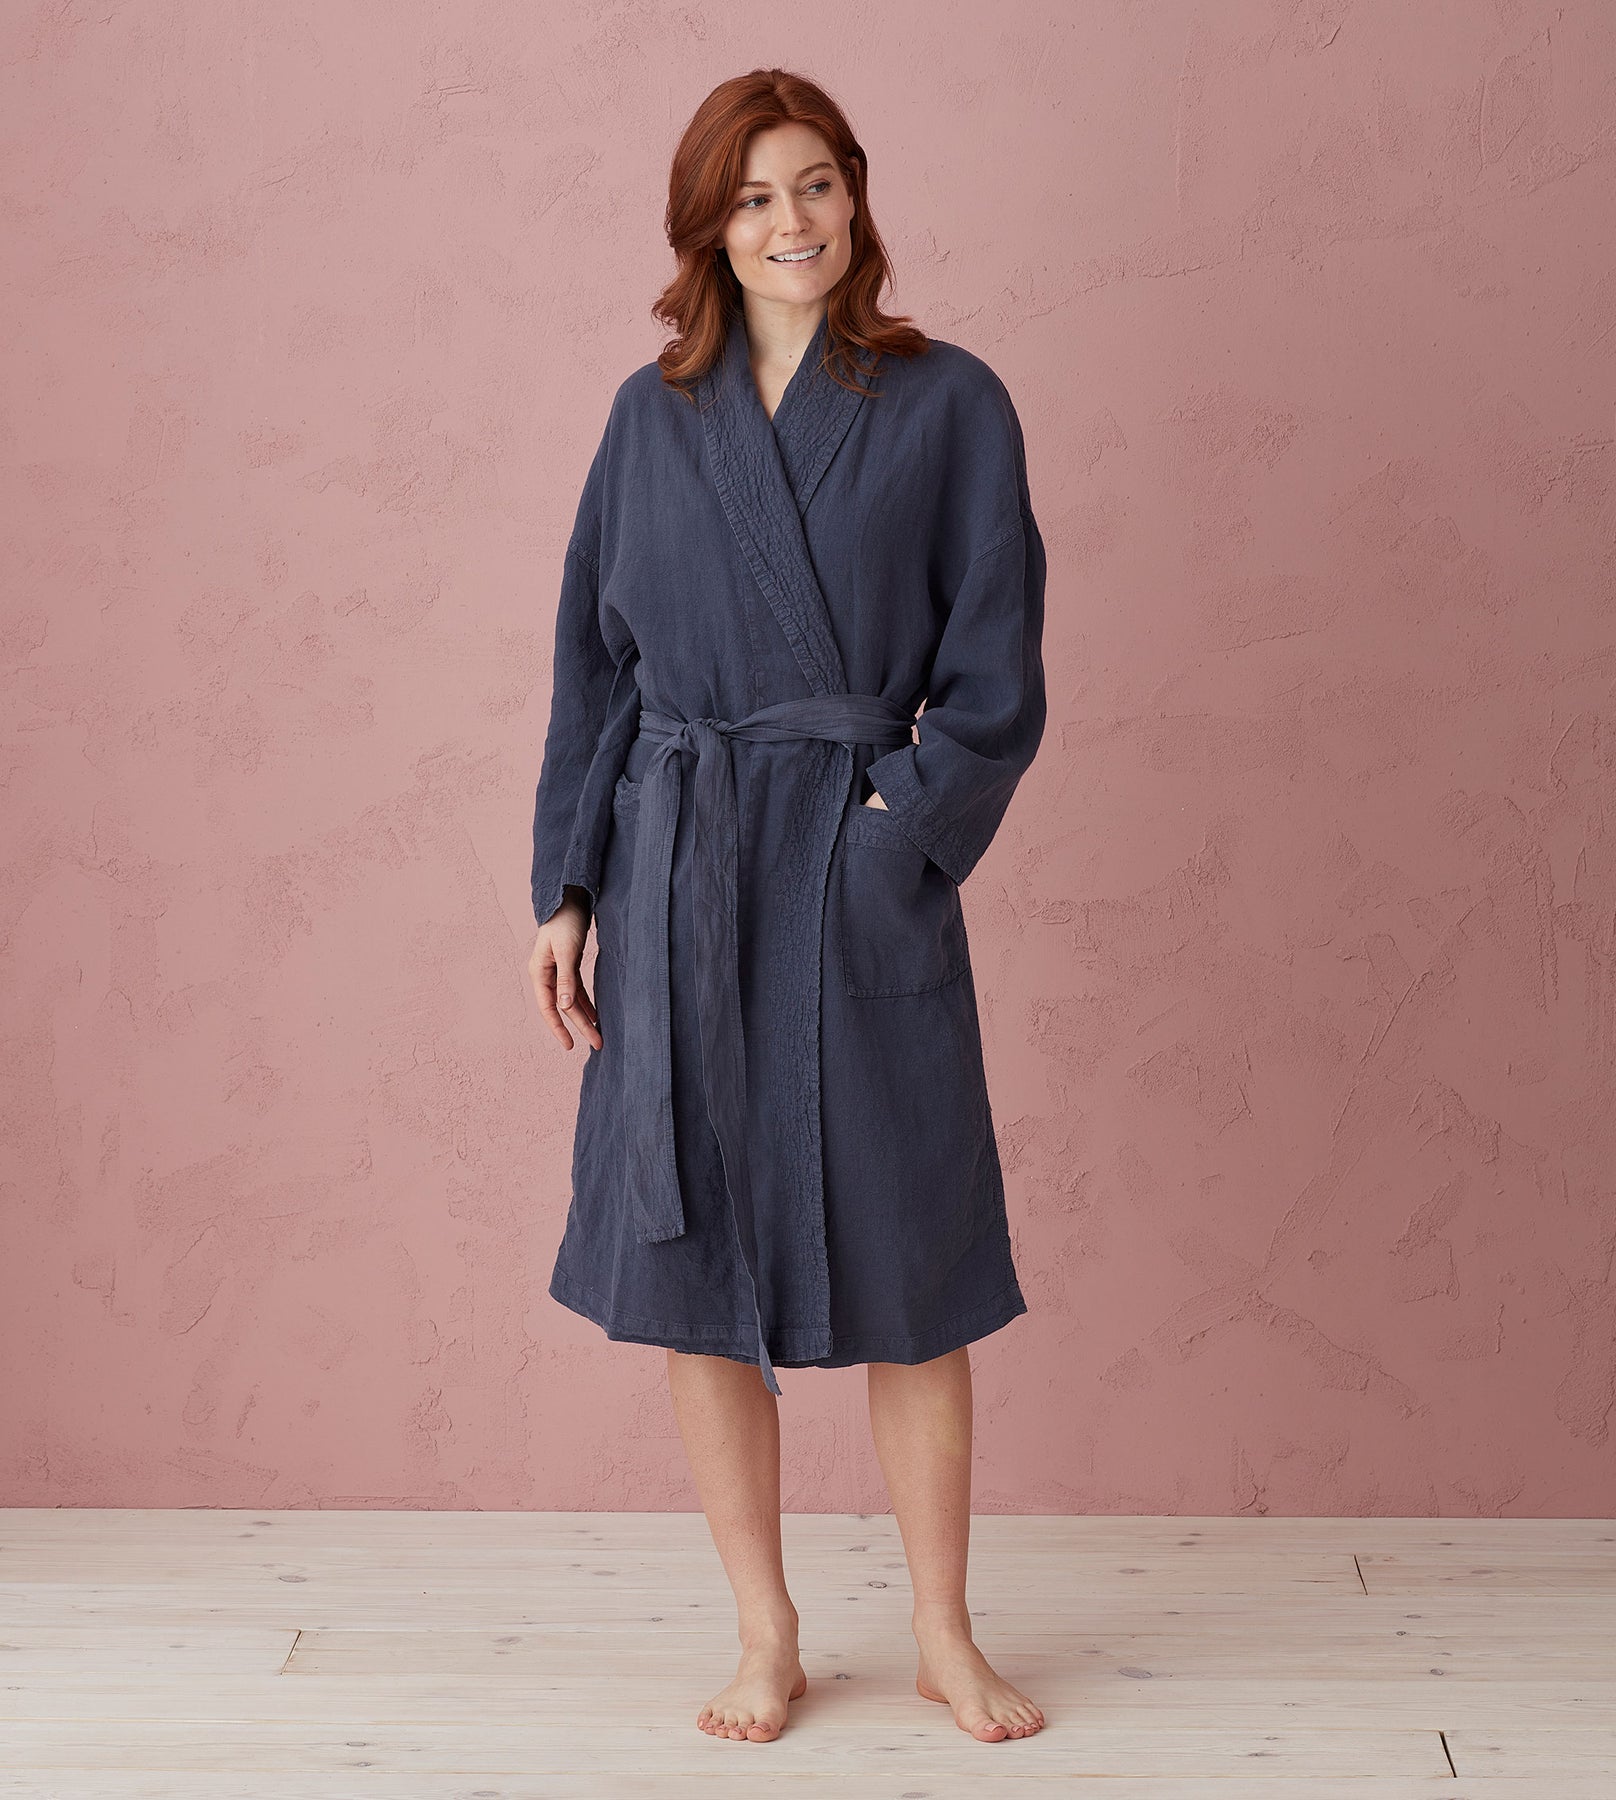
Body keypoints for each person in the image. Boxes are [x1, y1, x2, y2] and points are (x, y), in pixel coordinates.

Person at [526, 68, 1047, 1745]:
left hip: (852, 864)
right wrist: (568, 887)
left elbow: (995, 667)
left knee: (915, 1264)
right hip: (679, 871)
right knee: (697, 1265)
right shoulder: (648, 418)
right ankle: (766, 1633)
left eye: (816, 184)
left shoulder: (949, 402)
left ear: (857, 196)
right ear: (708, 229)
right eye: (753, 198)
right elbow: (596, 672)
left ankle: (945, 1632)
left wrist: (901, 837)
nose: (791, 222)